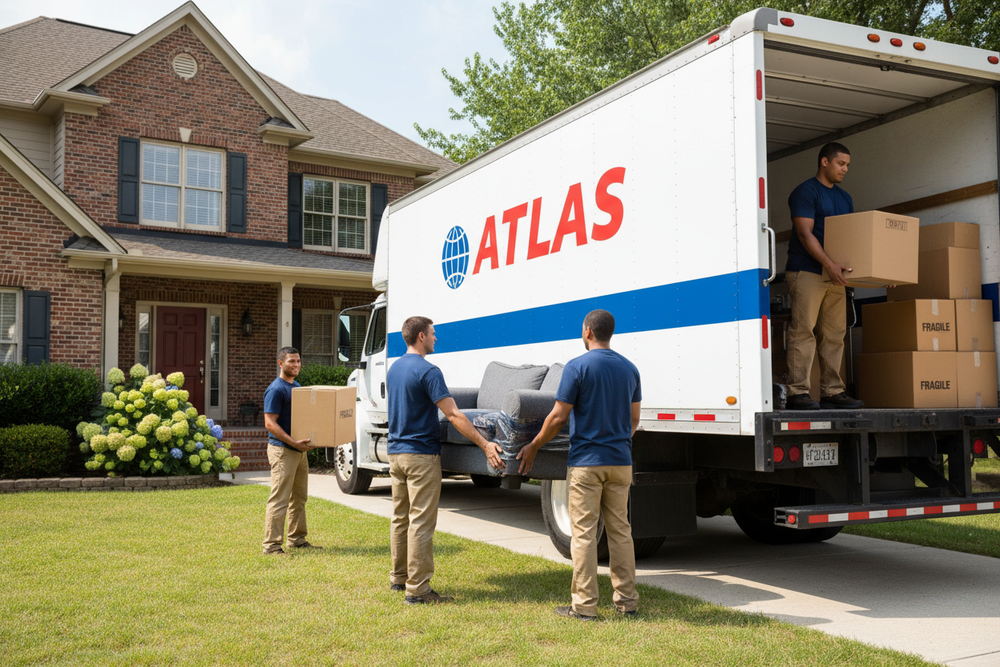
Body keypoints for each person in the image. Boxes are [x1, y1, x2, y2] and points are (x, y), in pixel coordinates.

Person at [517, 309, 641, 621]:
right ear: (609, 333)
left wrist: (534, 445)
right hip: (621, 462)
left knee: (584, 533)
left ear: (587, 331)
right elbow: (634, 420)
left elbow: (558, 416)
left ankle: (584, 607)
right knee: (621, 532)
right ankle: (627, 603)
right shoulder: (630, 369)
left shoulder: (577, 367)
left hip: (587, 462)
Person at [387, 316, 505, 605]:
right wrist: (484, 443)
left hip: (396, 454)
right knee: (421, 523)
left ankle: (399, 578)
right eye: (432, 334)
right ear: (420, 336)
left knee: (400, 518)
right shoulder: (429, 371)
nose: (435, 338)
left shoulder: (395, 368)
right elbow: (453, 414)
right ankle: (419, 590)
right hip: (421, 456)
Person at [785, 142, 865, 411]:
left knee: (834, 334)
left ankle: (833, 391)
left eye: (848, 165)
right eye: (841, 163)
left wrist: (875, 273)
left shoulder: (845, 198)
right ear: (824, 162)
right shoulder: (805, 192)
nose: (845, 169)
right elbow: (804, 233)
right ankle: (797, 392)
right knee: (803, 331)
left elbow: (851, 238)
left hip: (835, 276)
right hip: (806, 271)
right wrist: (829, 264)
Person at [262, 346, 320, 555]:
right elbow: (270, 423)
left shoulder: (296, 386)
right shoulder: (276, 389)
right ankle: (271, 545)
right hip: (283, 451)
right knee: (280, 498)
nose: (296, 365)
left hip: (299, 450)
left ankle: (296, 538)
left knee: (299, 497)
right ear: (280, 363)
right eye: (291, 362)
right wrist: (293, 442)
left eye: (298, 361)